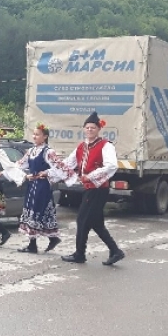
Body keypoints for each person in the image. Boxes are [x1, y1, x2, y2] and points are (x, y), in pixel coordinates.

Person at [57, 112, 125, 265]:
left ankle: (80, 254)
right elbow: (69, 164)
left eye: (92, 128)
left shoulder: (105, 145)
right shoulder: (82, 147)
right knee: (95, 222)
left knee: (83, 219)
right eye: (87, 128)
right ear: (83, 129)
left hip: (98, 188)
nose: (89, 130)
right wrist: (53, 169)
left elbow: (111, 165)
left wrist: (91, 176)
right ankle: (115, 251)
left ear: (98, 129)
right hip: (89, 189)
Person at [11, 123, 63, 253]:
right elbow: (20, 164)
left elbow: (59, 168)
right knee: (33, 211)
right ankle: (41, 242)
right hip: (32, 185)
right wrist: (10, 168)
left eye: (37, 134)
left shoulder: (48, 152)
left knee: (38, 211)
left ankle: (38, 243)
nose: (34, 136)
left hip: (42, 186)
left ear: (45, 137)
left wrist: (47, 173)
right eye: (33, 134)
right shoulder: (31, 151)